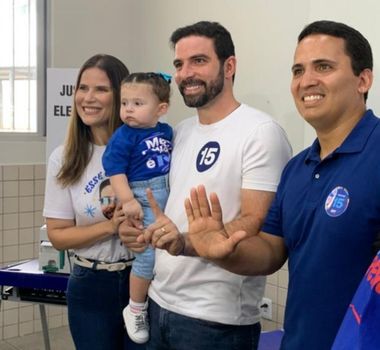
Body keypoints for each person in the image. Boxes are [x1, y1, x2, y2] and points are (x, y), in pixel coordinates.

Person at [183, 20, 380, 350]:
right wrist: (220, 250)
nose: (307, 81)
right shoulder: (296, 168)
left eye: (324, 67)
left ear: (363, 79)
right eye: (298, 70)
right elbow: (271, 251)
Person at [120, 21, 292, 350]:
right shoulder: (180, 132)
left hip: (216, 322)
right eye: (179, 64)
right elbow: (166, 210)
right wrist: (139, 228)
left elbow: (255, 224)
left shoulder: (260, 132)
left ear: (229, 66)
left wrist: (184, 243)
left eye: (198, 61)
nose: (185, 73)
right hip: (159, 303)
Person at [43, 54, 144, 350]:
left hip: (144, 281)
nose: (88, 98)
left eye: (101, 89)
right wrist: (111, 227)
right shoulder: (64, 158)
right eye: (83, 88)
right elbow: (58, 234)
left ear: (121, 95)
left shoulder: (146, 150)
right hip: (90, 284)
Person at [102, 72, 172, 344]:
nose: (128, 109)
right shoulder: (123, 136)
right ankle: (135, 307)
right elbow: (115, 171)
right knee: (147, 254)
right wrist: (128, 200)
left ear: (161, 109)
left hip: (166, 192)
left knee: (165, 249)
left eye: (137, 103)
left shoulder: (166, 131)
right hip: (141, 195)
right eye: (125, 103)